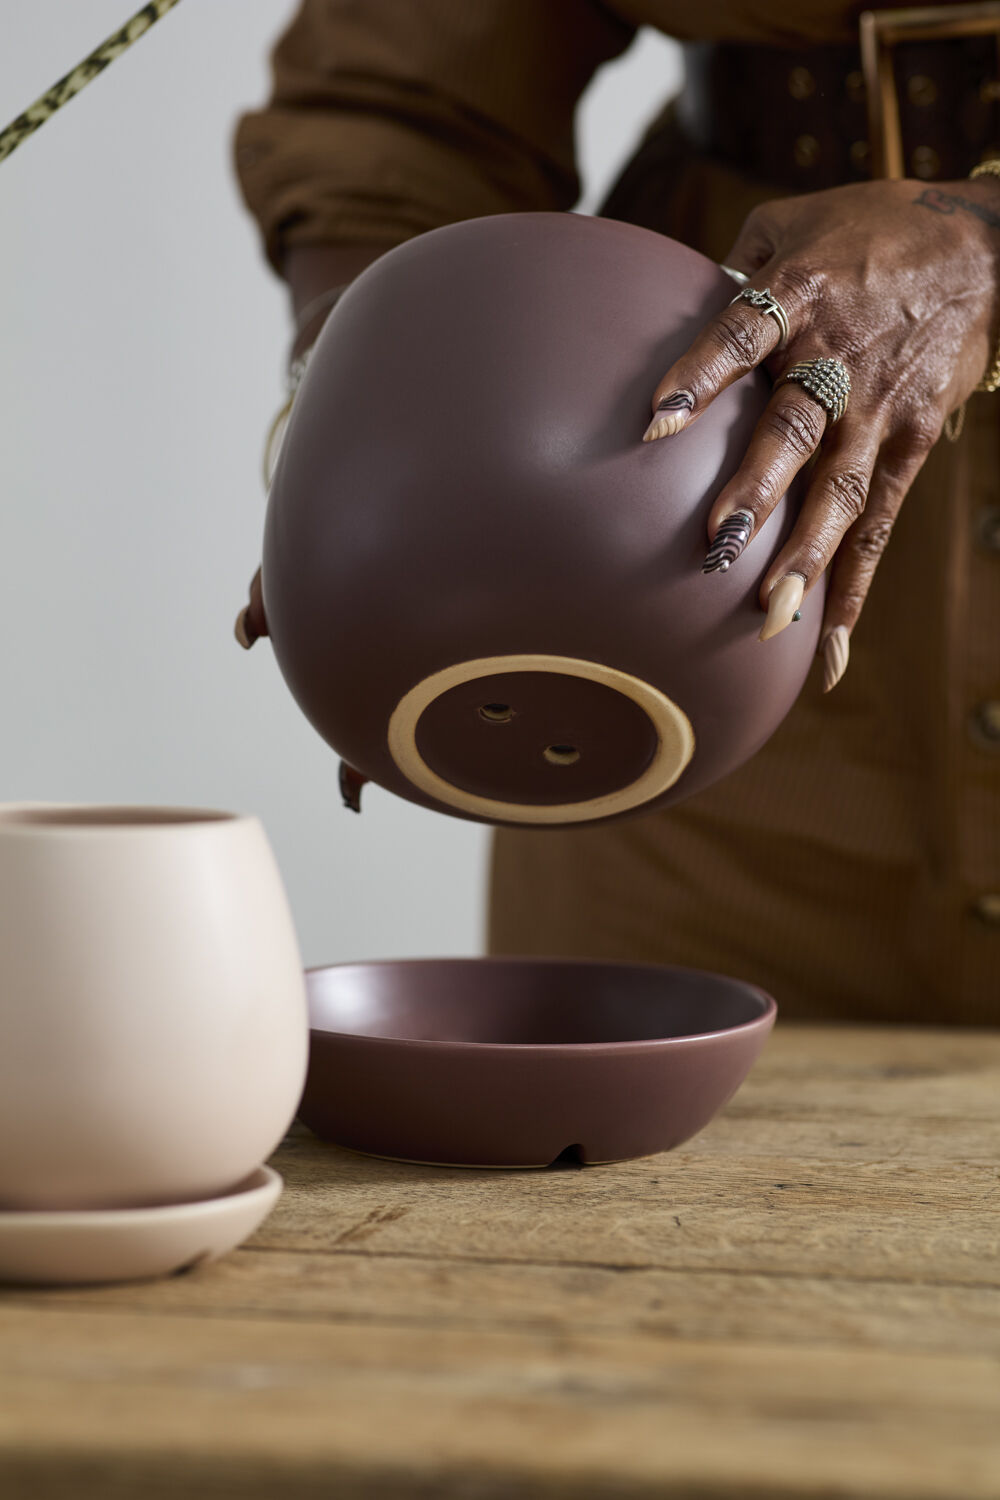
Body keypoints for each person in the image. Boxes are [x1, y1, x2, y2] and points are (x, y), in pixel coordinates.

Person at [233, 0, 1000, 1026]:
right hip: (682, 634)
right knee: (613, 1152)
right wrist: (377, 394)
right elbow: (405, 102)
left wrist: (984, 249)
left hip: (709, 541)